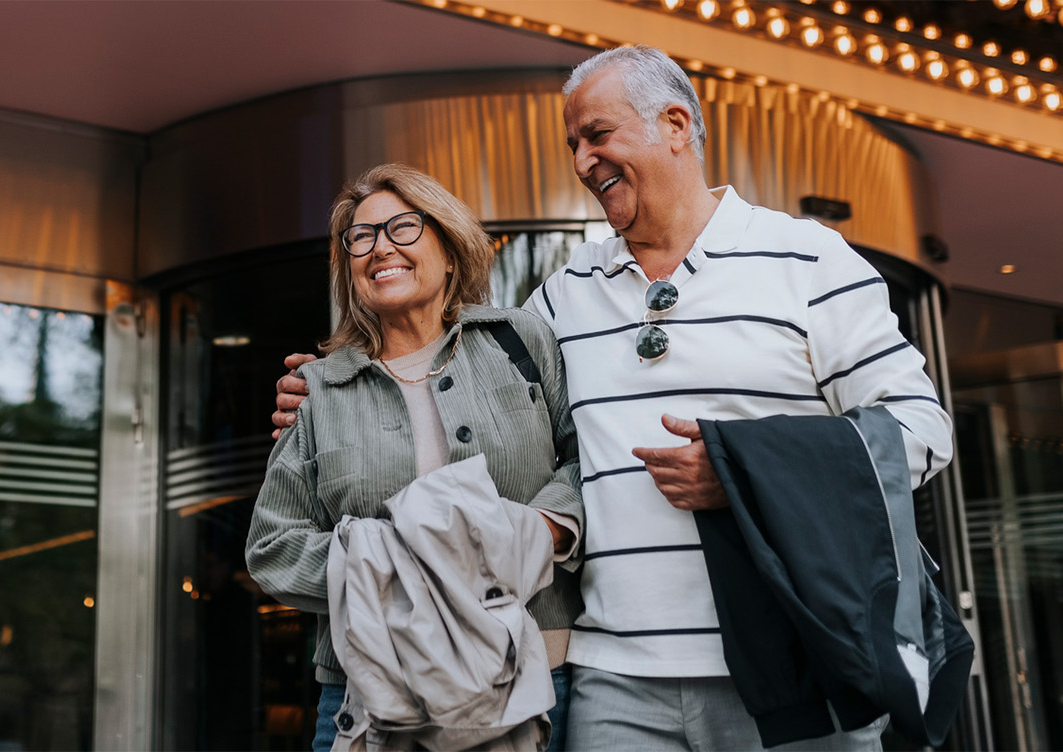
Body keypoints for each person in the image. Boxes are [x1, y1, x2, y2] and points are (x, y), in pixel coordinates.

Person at [274, 45, 953, 751]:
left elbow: (922, 432)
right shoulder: (561, 299)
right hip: (611, 681)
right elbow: (452, 387)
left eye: (597, 135)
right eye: (572, 143)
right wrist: (329, 399)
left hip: (793, 669)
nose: (581, 161)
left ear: (676, 125)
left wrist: (746, 474)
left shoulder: (809, 261)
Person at [246, 163, 585, 752]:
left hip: (536, 678)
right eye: (361, 237)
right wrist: (403, 561)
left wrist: (538, 531)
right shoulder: (319, 388)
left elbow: (586, 462)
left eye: (403, 228)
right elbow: (272, 547)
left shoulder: (520, 342)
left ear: (450, 249)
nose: (381, 248)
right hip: (370, 692)